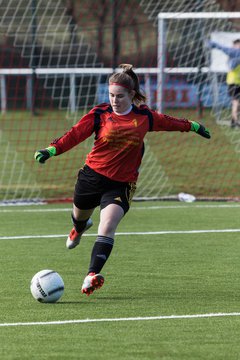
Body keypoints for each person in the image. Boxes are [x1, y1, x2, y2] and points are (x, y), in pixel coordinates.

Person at [34, 64, 211, 296]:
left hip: (122, 184)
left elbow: (169, 121)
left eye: (119, 96)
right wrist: (51, 150)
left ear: (131, 95)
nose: (114, 100)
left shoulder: (144, 117)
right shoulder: (100, 114)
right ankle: (78, 228)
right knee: (80, 217)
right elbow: (75, 134)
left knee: (107, 225)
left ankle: (90, 276)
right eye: (111, 95)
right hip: (91, 176)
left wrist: (193, 126)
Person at [208, 38, 240, 128]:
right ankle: (235, 121)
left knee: (236, 103)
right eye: (236, 45)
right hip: (233, 82)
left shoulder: (233, 56)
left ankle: (234, 121)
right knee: (235, 102)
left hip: (236, 82)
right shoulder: (233, 57)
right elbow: (223, 49)